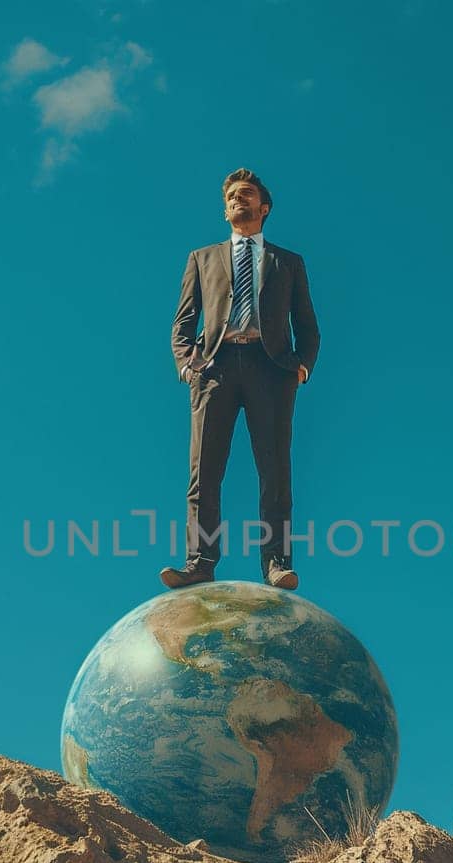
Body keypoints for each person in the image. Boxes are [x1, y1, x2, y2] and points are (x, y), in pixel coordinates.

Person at [162, 168, 320, 591]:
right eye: (231, 195)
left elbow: (306, 322)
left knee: (274, 471)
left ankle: (276, 563)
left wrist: (301, 364)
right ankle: (200, 561)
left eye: (246, 194)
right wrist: (186, 363)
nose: (237, 200)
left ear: (263, 208)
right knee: (205, 472)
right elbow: (184, 320)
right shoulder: (202, 258)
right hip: (215, 368)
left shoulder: (288, 262)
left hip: (272, 370)